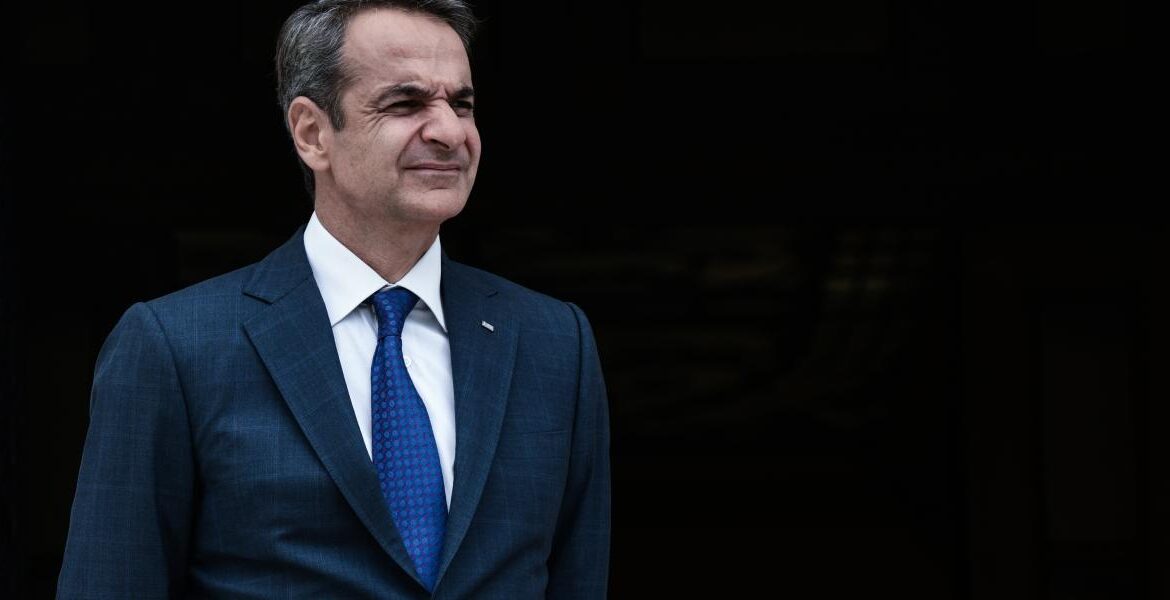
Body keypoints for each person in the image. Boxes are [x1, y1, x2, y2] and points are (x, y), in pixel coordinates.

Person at [55, 1, 611, 597]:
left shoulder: (556, 342)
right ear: (312, 133)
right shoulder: (176, 347)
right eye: (406, 103)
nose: (450, 132)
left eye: (462, 104)